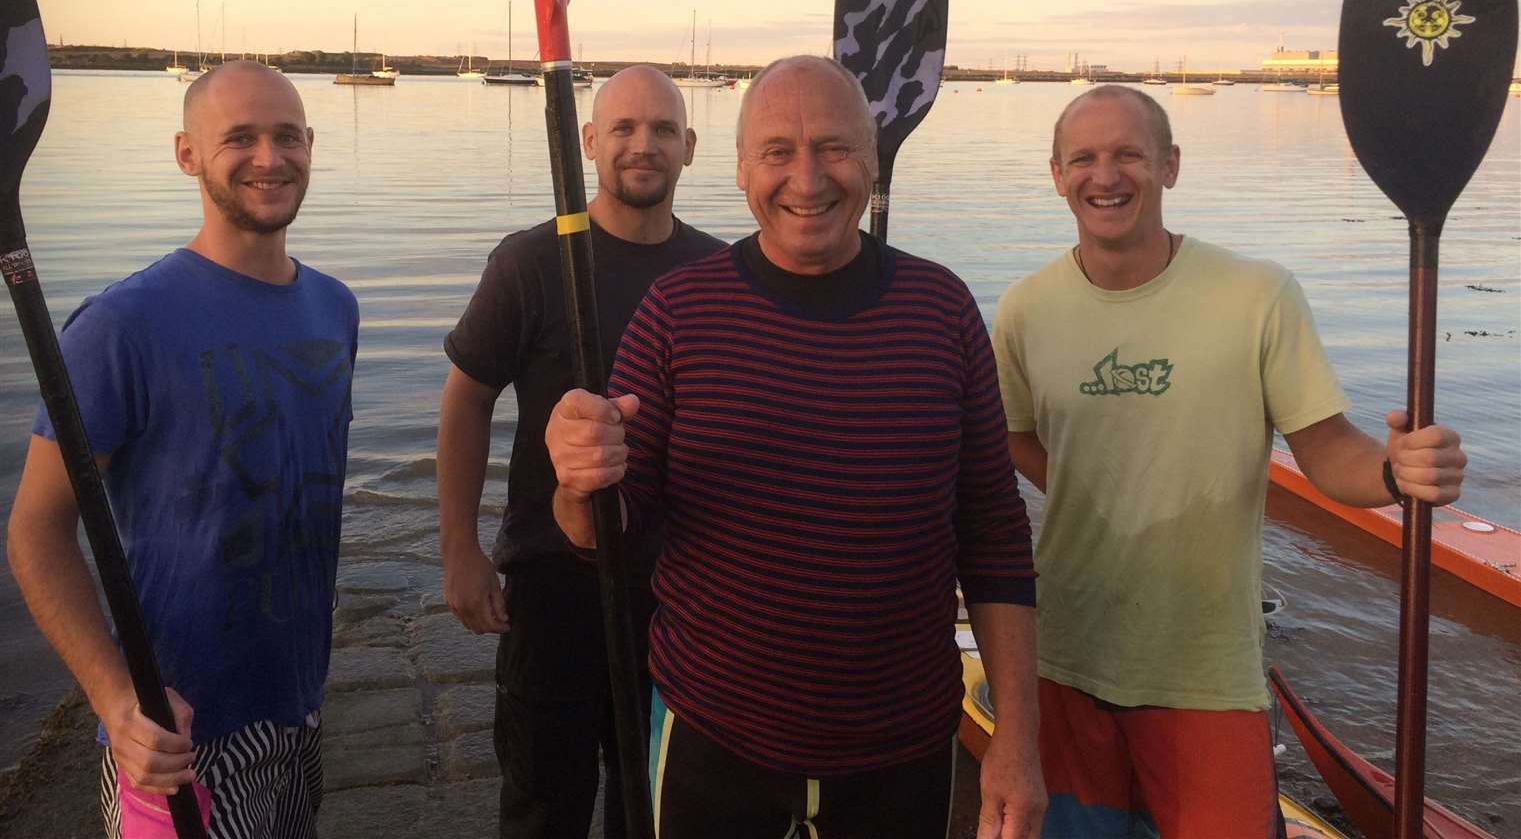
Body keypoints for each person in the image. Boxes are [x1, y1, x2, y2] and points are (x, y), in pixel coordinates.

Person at [545, 55, 1046, 839]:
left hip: (901, 746)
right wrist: (579, 482)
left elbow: (992, 534)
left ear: (872, 159)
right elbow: (611, 533)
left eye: (835, 148)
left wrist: (1015, 739)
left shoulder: (939, 309)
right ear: (741, 168)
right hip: (712, 738)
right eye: (777, 151)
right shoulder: (677, 310)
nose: (806, 180)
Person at [991, 84, 1468, 838]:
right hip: (1066, 657)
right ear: (1056, 174)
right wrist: (1103, 493)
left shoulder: (1255, 295)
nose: (1104, 176)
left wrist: (1392, 472)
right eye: (1082, 158)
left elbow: (1326, 450)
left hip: (1205, 669)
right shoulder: (1023, 311)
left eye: (1128, 156)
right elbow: (1010, 434)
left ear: (1170, 166)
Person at [6, 60, 358, 838]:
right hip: (181, 729)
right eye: (240, 138)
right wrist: (113, 699)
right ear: (187, 154)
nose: (269, 158)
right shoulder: (121, 326)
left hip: (300, 701)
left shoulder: (335, 306)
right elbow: (36, 529)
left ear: (310, 145)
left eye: (287, 136)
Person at [437, 65, 723, 839]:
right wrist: (460, 549)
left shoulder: (720, 275)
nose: (643, 145)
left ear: (689, 147)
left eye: (663, 129)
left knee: (656, 804)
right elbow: (467, 396)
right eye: (624, 128)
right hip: (551, 583)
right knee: (542, 804)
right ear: (589, 141)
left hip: (679, 590)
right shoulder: (532, 262)